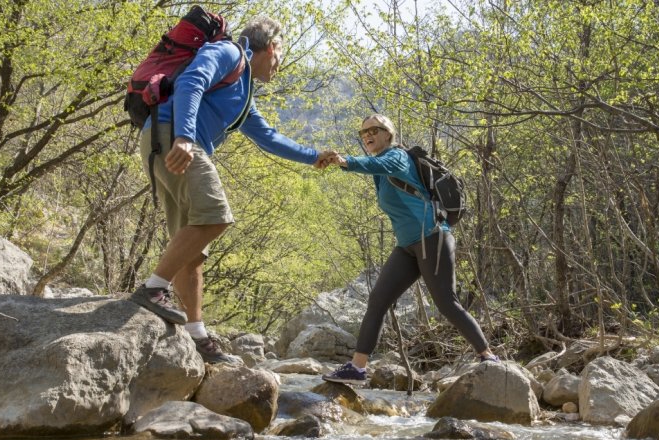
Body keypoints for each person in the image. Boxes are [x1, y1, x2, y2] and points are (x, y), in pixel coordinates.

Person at [130, 16, 335, 364]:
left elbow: (269, 137)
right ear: (270, 47)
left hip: (167, 141)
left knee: (192, 249)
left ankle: (197, 337)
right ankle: (153, 288)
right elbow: (191, 81)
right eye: (280, 55)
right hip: (173, 137)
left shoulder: (243, 94)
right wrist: (185, 136)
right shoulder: (228, 53)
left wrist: (314, 156)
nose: (279, 65)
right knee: (216, 217)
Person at [319, 114, 498, 384]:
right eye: (364, 132)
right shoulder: (380, 167)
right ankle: (357, 368)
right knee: (378, 301)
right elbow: (374, 167)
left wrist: (345, 161)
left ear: (388, 134)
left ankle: (488, 357)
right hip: (407, 246)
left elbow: (373, 165)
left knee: (447, 303)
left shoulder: (397, 157)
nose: (368, 135)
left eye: (375, 130)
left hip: (432, 238)